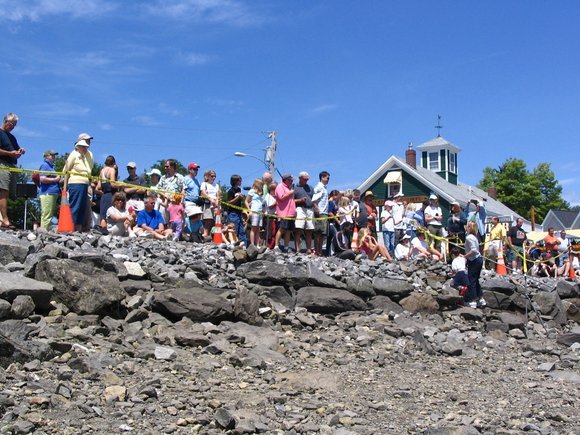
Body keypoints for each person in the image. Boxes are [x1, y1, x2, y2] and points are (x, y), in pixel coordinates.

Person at [0, 113, 26, 229]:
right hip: (2, 164)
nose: (13, 127)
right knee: (3, 191)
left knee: (9, 192)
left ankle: (3, 218)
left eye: (15, 125)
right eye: (12, 124)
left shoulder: (12, 137)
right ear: (6, 121)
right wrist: (9, 153)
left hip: (12, 165)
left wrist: (19, 151)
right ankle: (5, 219)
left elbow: (15, 153)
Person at [63, 138, 94, 232]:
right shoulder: (74, 155)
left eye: (86, 147)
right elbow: (66, 170)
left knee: (81, 207)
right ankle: (71, 227)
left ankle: (78, 228)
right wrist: (65, 186)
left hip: (84, 183)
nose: (85, 149)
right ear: (78, 147)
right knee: (75, 206)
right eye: (83, 147)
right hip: (75, 183)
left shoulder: (84, 157)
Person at [464, 221, 486, 308]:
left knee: (471, 280)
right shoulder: (474, 237)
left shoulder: (469, 237)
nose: (465, 227)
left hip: (474, 260)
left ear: (469, 227)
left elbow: (474, 250)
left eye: (467, 226)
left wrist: (465, 256)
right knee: (475, 280)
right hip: (478, 259)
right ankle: (480, 298)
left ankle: (473, 300)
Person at [38, 149, 61, 230]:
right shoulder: (45, 165)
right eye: (52, 155)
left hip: (52, 192)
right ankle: (43, 232)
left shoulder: (51, 166)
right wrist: (55, 180)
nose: (54, 156)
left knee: (49, 214)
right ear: (47, 156)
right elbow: (42, 179)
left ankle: (44, 231)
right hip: (48, 193)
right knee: (47, 214)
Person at [274, 173, 296, 252]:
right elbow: (281, 197)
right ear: (286, 180)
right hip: (284, 212)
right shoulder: (280, 186)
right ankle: (276, 246)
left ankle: (286, 246)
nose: (292, 182)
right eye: (290, 180)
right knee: (282, 229)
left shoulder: (289, 188)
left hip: (291, 213)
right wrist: (290, 192)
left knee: (288, 230)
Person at [294, 171, 315, 254]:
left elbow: (313, 198)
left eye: (307, 179)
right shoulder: (294, 188)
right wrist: (300, 200)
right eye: (304, 179)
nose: (306, 181)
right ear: (300, 178)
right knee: (298, 229)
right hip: (300, 208)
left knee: (309, 230)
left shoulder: (310, 188)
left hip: (310, 209)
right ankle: (297, 249)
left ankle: (309, 249)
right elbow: (291, 201)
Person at [96, 155, 118, 229]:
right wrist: (120, 186)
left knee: (103, 215)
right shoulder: (112, 170)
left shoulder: (102, 170)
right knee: (109, 215)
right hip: (111, 195)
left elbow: (98, 187)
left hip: (104, 195)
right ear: (114, 163)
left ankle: (102, 230)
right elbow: (112, 184)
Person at [224, 174, 247, 246]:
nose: (241, 182)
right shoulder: (230, 191)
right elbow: (229, 202)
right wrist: (237, 198)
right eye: (240, 180)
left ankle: (243, 244)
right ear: (236, 181)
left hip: (239, 212)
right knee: (234, 229)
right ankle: (233, 243)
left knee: (241, 229)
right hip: (232, 213)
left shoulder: (239, 189)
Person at [313, 171, 330, 256]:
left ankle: (320, 251)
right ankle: (317, 251)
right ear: (322, 177)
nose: (328, 180)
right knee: (318, 233)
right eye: (327, 178)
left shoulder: (324, 188)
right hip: (321, 212)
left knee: (322, 234)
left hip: (325, 213)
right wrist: (317, 210)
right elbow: (314, 199)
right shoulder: (319, 187)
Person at [200, 169, 219, 239]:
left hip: (215, 204)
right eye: (212, 176)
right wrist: (210, 199)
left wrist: (217, 202)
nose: (213, 178)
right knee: (208, 219)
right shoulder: (204, 184)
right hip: (207, 203)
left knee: (215, 220)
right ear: (207, 176)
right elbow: (203, 193)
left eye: (215, 176)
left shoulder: (216, 185)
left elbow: (218, 195)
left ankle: (213, 236)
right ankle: (205, 233)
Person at [245, 178, 264, 246]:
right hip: (254, 211)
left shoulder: (261, 192)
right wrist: (249, 210)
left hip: (260, 212)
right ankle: (252, 244)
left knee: (258, 229)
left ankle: (257, 244)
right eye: (261, 184)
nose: (262, 185)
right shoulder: (252, 191)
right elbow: (246, 201)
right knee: (253, 228)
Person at [263, 182, 278, 249]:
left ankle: (273, 245)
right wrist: (277, 202)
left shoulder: (275, 197)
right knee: (270, 232)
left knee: (275, 232)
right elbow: (270, 206)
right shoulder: (268, 196)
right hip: (269, 216)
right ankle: (269, 246)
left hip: (275, 216)